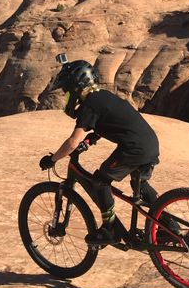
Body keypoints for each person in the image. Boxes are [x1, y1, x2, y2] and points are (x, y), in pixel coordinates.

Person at [40, 58, 160, 246]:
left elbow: (72, 142)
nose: (67, 96)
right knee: (141, 186)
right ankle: (171, 228)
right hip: (150, 144)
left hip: (134, 149)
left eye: (67, 91)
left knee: (100, 181)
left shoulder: (90, 105)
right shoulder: (103, 96)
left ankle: (109, 230)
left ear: (76, 87)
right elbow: (110, 123)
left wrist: (52, 159)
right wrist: (91, 140)